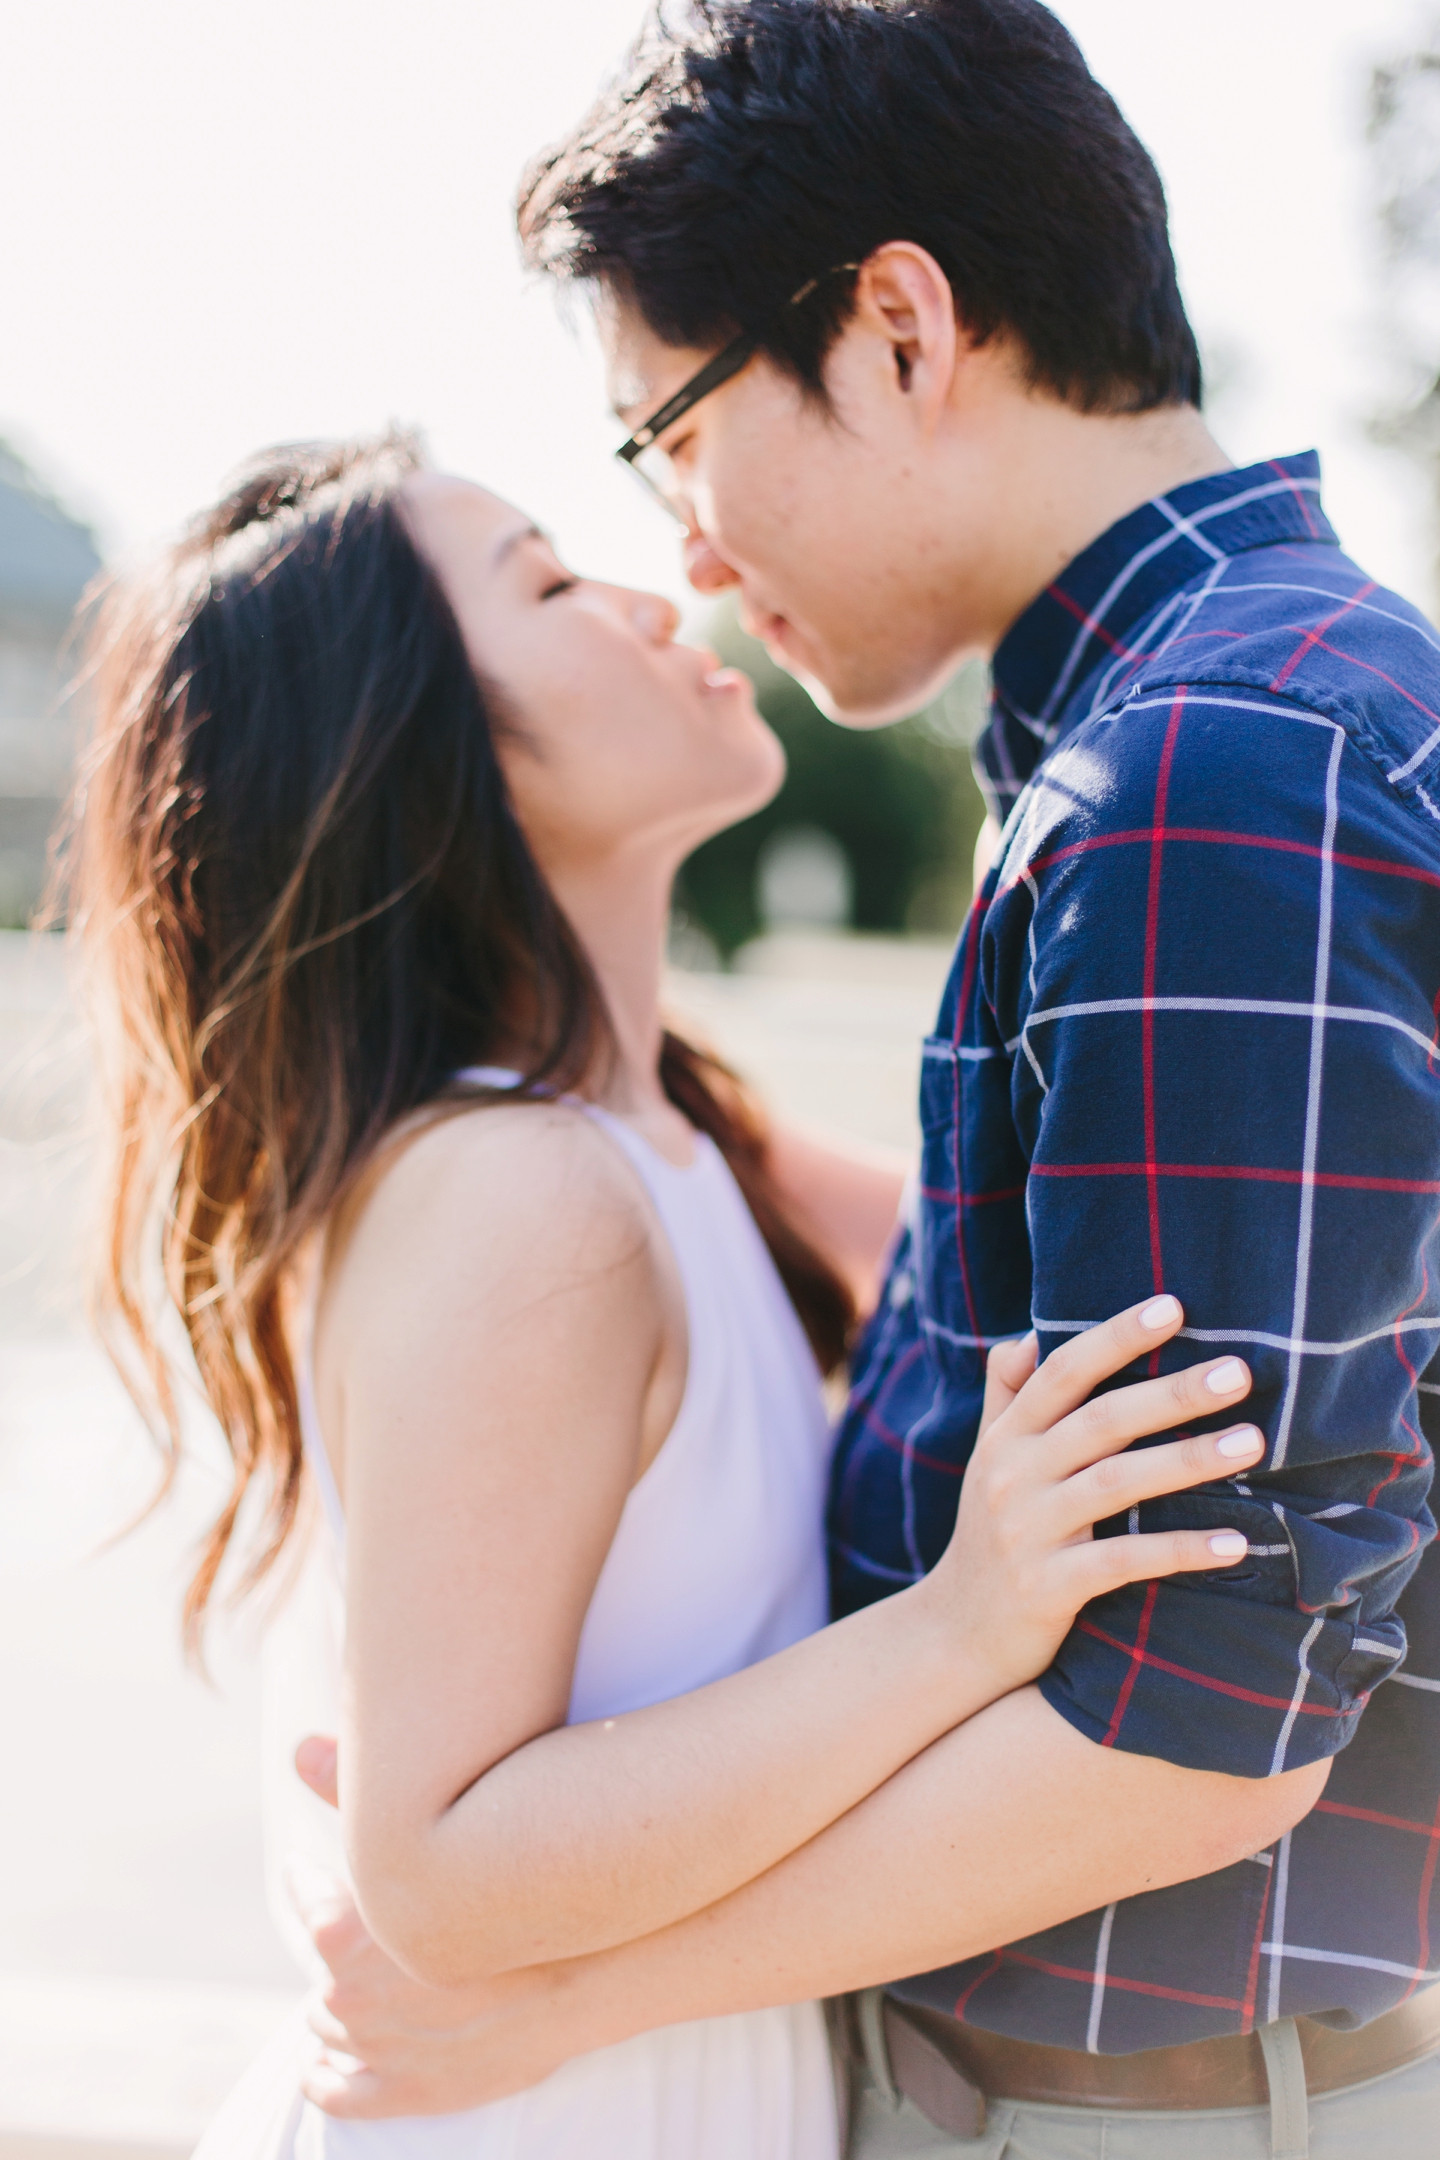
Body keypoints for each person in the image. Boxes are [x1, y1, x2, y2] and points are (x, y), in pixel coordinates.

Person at [289, 3, 1440, 2156]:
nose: (690, 555)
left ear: (897, 325)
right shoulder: (1213, 729)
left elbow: (1208, 1715)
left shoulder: (1205, 781)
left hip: (1133, 2116)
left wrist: (547, 1999)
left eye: (672, 436)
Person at [73, 434, 1272, 2160]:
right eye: (552, 585)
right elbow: (441, 1868)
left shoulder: (669, 1131)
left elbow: (971, 1238)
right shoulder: (522, 1194)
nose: (661, 593)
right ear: (425, 755)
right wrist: (958, 1623)